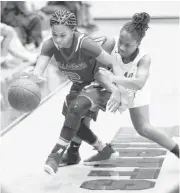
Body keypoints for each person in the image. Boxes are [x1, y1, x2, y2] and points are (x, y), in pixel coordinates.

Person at [28, 9, 128, 175]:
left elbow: (113, 63)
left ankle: (55, 156)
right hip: (81, 83)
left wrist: (120, 90)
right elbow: (40, 66)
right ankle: (98, 150)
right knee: (72, 117)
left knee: (76, 108)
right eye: (55, 34)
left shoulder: (84, 43)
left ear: (73, 31)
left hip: (101, 79)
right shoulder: (50, 44)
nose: (58, 40)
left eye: (63, 35)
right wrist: (36, 75)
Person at [81, 12, 179, 164]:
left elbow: (139, 83)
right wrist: (114, 88)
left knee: (143, 128)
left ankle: (178, 151)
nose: (121, 47)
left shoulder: (144, 59)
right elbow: (97, 74)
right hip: (107, 86)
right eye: (121, 41)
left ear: (138, 44)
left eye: (128, 45)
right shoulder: (109, 44)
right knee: (81, 110)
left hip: (133, 90)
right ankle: (79, 150)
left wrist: (114, 79)